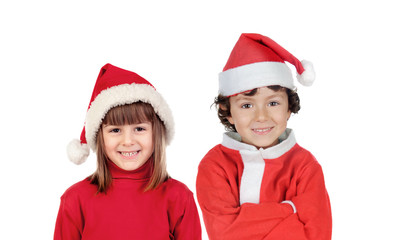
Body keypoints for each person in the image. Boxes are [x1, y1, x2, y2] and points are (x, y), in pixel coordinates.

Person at [196, 33, 332, 239]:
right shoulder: (214, 165)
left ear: (289, 108)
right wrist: (292, 209)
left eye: (273, 103)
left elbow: (317, 234)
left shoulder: (305, 166)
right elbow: (224, 232)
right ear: (228, 111)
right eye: (247, 105)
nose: (261, 116)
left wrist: (244, 220)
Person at [54, 63, 201, 240]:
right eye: (115, 130)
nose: (128, 141)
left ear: (157, 132)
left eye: (139, 128)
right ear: (99, 136)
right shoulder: (75, 200)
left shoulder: (179, 197)